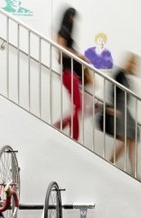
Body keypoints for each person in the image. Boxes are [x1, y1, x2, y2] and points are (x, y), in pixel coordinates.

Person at [52, 7, 89, 141]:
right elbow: (61, 51)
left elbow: (62, 53)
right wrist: (78, 55)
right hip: (67, 73)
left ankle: (66, 130)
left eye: (74, 17)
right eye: (71, 17)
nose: (73, 20)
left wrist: (80, 57)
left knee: (78, 106)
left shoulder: (67, 33)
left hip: (71, 72)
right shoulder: (62, 31)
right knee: (77, 105)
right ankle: (72, 135)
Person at [106, 53, 141, 174]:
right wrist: (113, 108)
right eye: (132, 63)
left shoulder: (126, 77)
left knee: (133, 136)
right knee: (126, 138)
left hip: (124, 109)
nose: (134, 66)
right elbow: (113, 90)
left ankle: (134, 171)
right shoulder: (120, 74)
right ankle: (110, 162)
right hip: (119, 108)